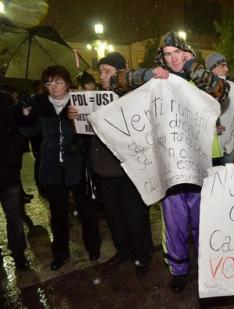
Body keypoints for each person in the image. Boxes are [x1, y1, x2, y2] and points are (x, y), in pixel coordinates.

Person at [109, 32, 230, 292]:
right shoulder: (157, 80)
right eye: (168, 54)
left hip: (206, 161)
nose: (173, 58)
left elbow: (222, 90)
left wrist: (190, 66)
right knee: (174, 221)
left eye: (178, 52)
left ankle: (206, 267)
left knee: (204, 220)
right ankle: (178, 270)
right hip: (171, 164)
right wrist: (148, 75)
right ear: (161, 58)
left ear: (186, 54)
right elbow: (114, 82)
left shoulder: (198, 76)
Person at [69, 52, 154, 277]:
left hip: (129, 170)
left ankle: (143, 255)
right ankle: (124, 250)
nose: (102, 76)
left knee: (135, 215)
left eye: (107, 71)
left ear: (121, 72)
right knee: (114, 216)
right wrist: (76, 117)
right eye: (101, 72)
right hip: (104, 169)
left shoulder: (133, 95)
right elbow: (85, 134)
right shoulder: (94, 98)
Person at [19, 65, 101, 270]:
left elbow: (93, 130)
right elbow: (29, 131)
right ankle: (60, 253)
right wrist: (26, 112)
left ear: (67, 82)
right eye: (48, 83)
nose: (53, 87)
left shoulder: (79, 100)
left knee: (86, 211)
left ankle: (93, 246)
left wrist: (76, 122)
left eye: (57, 82)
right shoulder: (40, 104)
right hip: (52, 167)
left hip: (77, 164)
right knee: (58, 214)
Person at [0, 86, 29, 270]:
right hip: (8, 168)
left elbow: (20, 128)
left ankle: (18, 252)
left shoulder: (5, 99)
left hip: (7, 171)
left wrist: (14, 157)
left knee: (14, 216)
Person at [206, 52, 234, 164]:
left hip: (229, 148)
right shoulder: (201, 89)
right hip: (208, 149)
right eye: (223, 66)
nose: (227, 69)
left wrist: (233, 140)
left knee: (228, 180)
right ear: (212, 68)